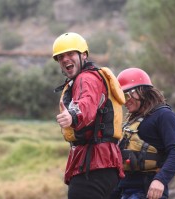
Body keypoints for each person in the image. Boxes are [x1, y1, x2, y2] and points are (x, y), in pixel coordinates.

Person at [53, 32, 125, 199]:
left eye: (70, 54)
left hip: (93, 165)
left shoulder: (86, 78)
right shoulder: (91, 77)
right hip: (104, 163)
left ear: (83, 55)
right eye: (60, 57)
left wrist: (72, 115)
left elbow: (86, 104)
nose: (65, 59)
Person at [110, 68, 175, 199]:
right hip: (125, 188)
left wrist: (160, 180)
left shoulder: (164, 116)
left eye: (126, 95)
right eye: (121, 97)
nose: (124, 101)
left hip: (148, 191)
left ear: (141, 91)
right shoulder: (132, 119)